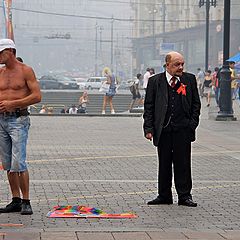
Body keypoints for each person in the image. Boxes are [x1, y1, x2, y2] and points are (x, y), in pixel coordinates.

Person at [143, 51, 201, 207]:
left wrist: (192, 124)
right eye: (177, 64)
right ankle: (164, 195)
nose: (180, 67)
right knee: (164, 163)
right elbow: (149, 106)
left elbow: (196, 104)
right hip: (163, 129)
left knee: (183, 163)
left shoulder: (189, 79)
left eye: (182, 64)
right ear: (167, 65)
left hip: (183, 129)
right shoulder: (155, 81)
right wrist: (149, 128)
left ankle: (184, 196)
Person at [0, 38, 41, 215]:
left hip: (18, 120)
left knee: (19, 162)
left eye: (1, 52)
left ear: (11, 52)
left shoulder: (26, 71)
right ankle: (15, 200)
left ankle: (26, 200)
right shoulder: (0, 73)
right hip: (1, 120)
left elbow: (37, 96)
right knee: (8, 163)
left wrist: (14, 104)